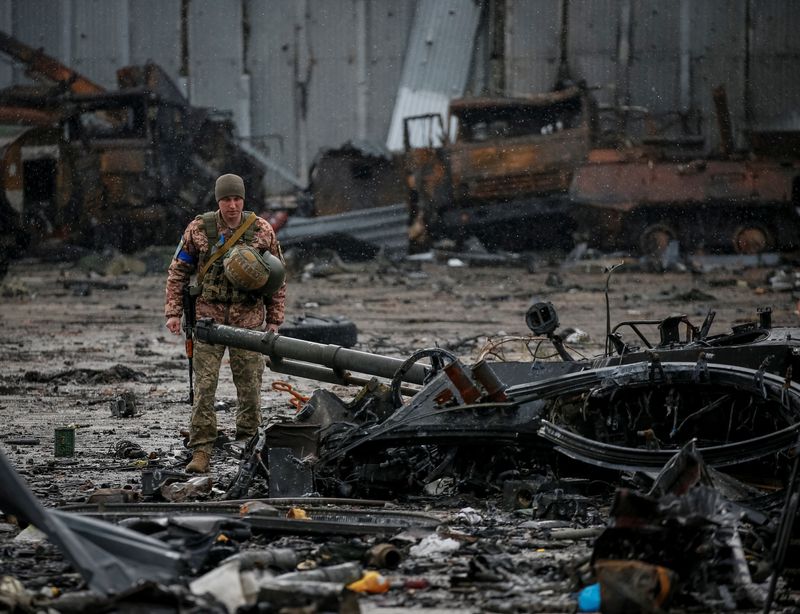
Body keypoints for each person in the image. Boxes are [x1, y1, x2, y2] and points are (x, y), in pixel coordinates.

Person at [165, 173, 286, 473]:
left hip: (248, 321)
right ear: (218, 201)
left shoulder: (261, 230)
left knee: (250, 388)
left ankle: (249, 446)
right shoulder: (199, 229)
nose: (232, 206)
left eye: (237, 199)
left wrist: (274, 319)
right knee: (204, 389)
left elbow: (278, 279)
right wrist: (173, 312)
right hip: (208, 320)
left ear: (243, 200)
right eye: (226, 200)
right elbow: (178, 271)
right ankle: (202, 450)